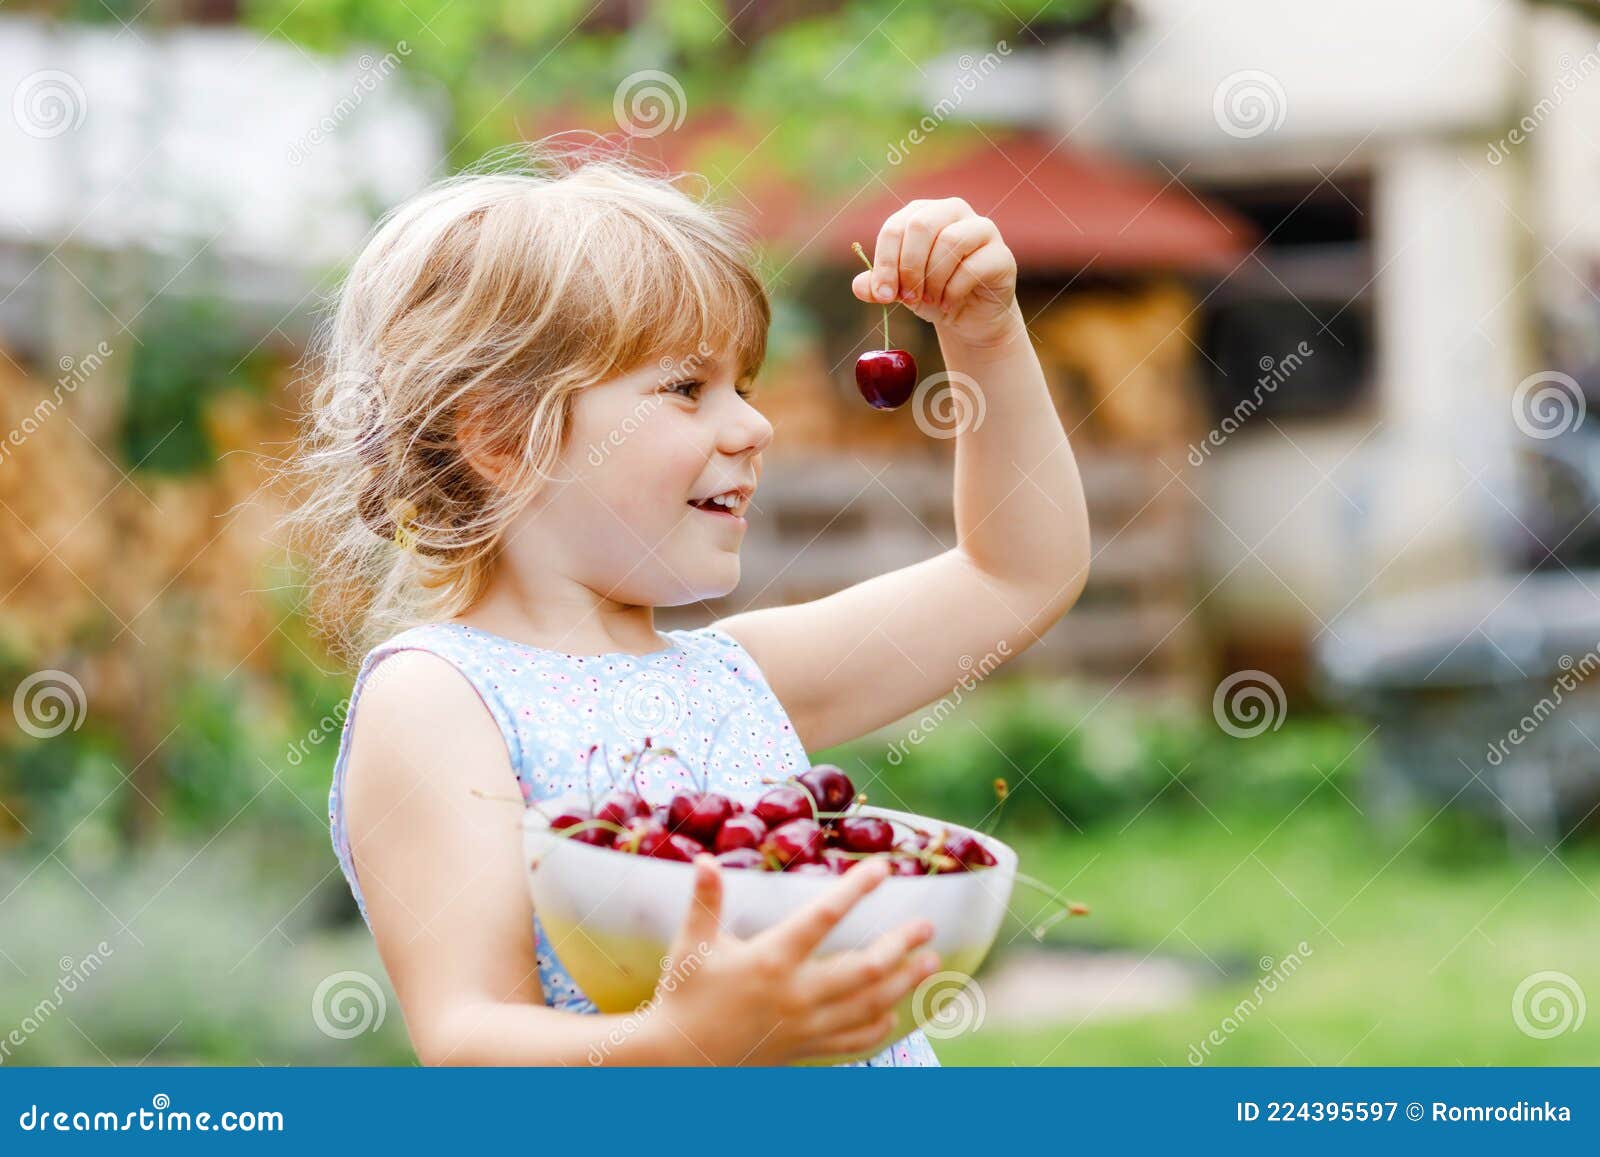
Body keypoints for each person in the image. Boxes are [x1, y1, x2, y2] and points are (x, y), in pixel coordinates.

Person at [295, 145, 1091, 1066]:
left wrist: (983, 338)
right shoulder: (440, 697)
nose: (755, 426)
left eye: (743, 388)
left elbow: (1016, 574)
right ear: (502, 438)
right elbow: (468, 1036)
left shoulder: (736, 675)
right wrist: (686, 1042)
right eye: (686, 388)